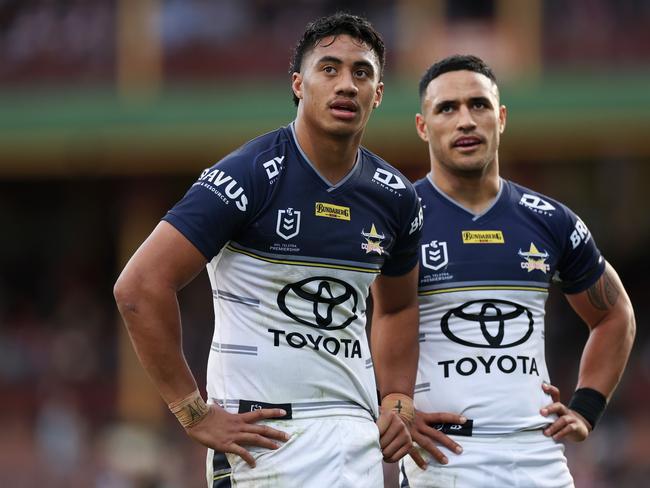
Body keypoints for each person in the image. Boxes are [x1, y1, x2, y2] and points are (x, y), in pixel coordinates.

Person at [114, 13, 423, 488]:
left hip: (357, 442)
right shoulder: (249, 174)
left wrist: (398, 396)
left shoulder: (396, 197)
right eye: (329, 69)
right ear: (299, 84)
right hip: (263, 445)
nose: (346, 85)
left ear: (378, 94)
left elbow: (398, 305)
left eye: (362, 73)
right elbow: (139, 287)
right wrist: (193, 413)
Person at [400, 54, 636, 487]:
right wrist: (391, 406)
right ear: (422, 126)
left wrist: (586, 407)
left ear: (501, 117)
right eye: (447, 108)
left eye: (479, 105)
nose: (466, 120)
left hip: (537, 457)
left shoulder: (549, 220)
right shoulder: (397, 220)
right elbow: (347, 327)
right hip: (442, 459)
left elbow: (614, 314)